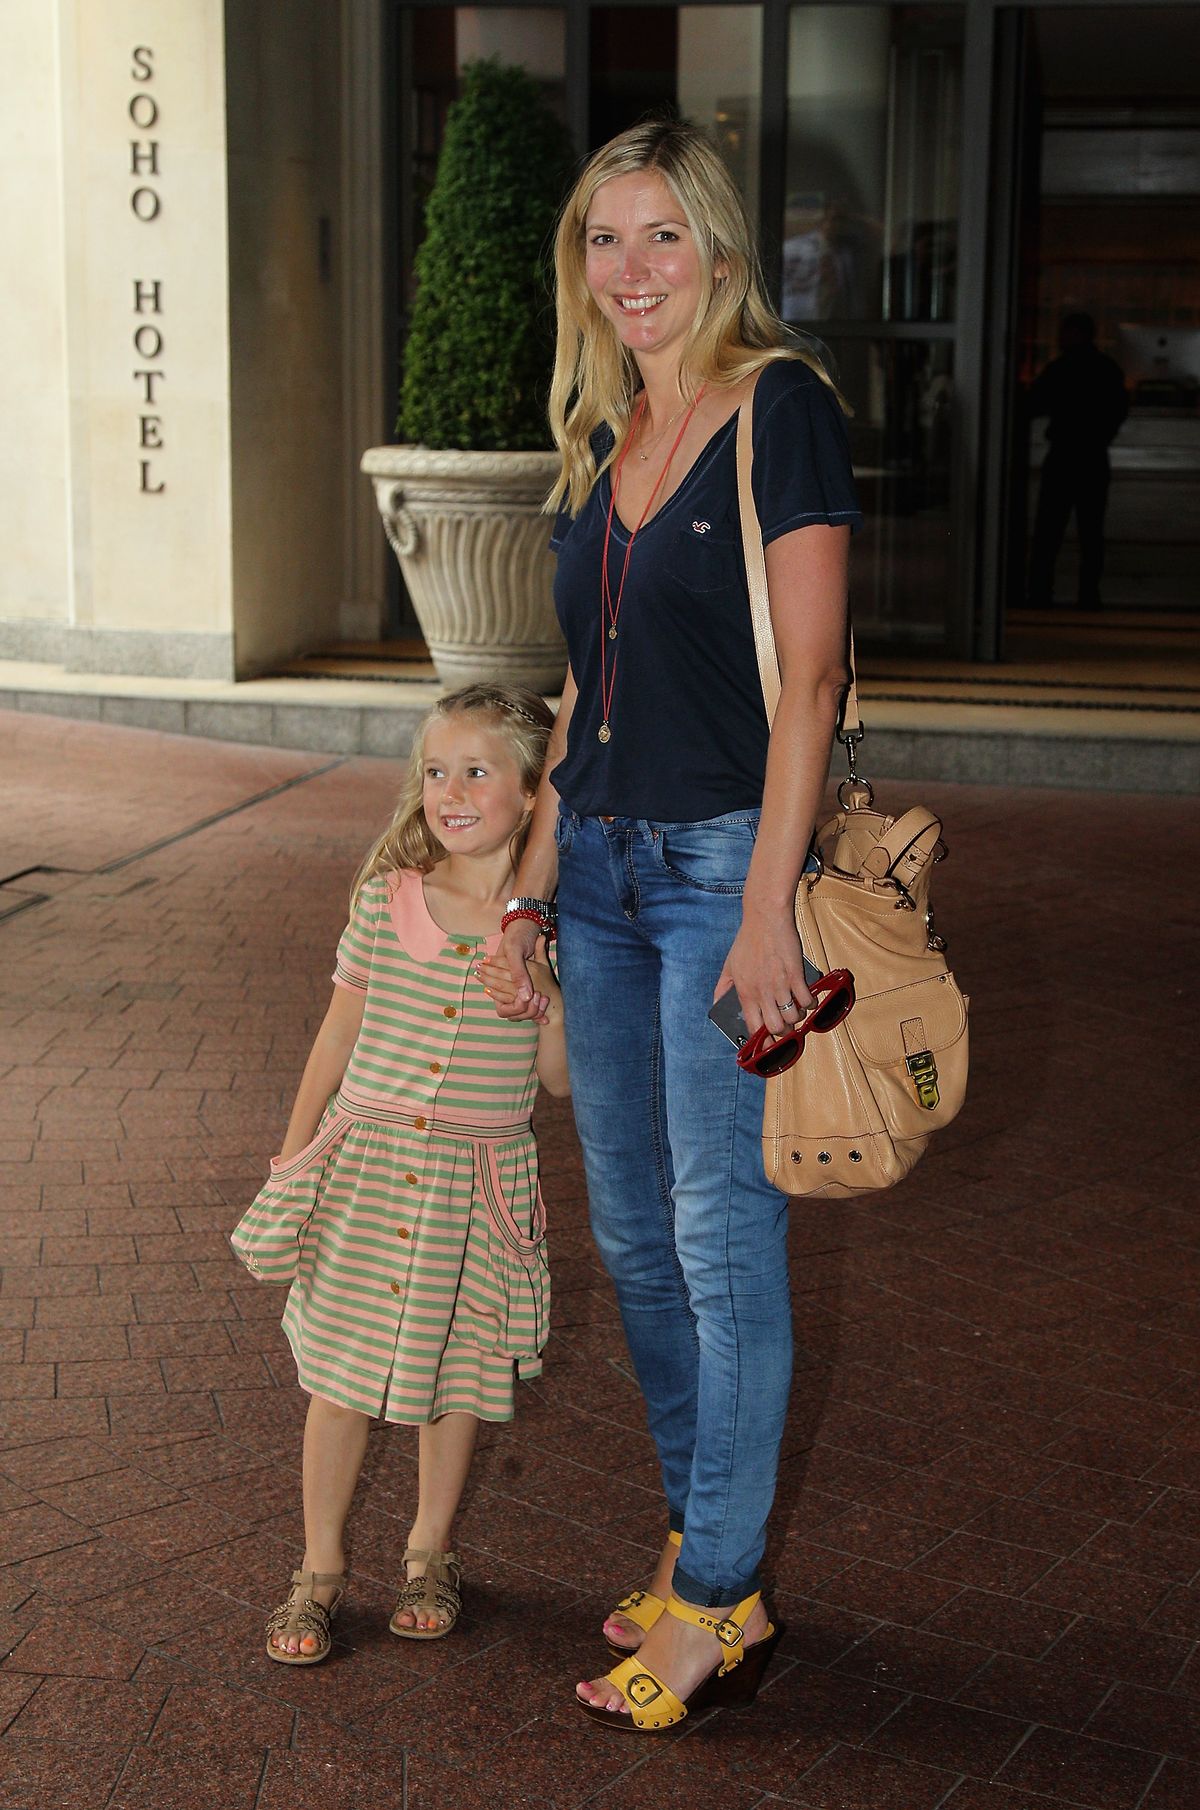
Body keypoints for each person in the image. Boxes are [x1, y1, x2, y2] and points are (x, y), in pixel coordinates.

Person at [495, 119, 861, 1732]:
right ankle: (705, 1542)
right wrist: (527, 882)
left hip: (722, 873)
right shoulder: (605, 432)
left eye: (661, 238)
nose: (631, 272)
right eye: (603, 240)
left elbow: (817, 681)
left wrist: (766, 910)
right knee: (638, 1245)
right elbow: (584, 697)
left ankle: (715, 1596)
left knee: (722, 1242)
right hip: (603, 879)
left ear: (717, 253)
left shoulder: (780, 411)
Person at [230, 683, 568, 1665]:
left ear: (535, 790)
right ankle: (320, 1568)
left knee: (452, 1375)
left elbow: (556, 1084)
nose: (450, 790)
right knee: (338, 1377)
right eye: (435, 770)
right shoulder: (390, 898)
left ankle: (430, 1552)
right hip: (369, 1167)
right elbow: (336, 1031)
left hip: (478, 1181)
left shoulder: (551, 926)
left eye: (478, 771)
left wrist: (544, 995)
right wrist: (297, 1155)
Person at [1027, 312, 1128, 610]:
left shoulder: (1060, 369)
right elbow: (1118, 410)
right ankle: (1088, 594)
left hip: (1065, 453)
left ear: (1075, 334)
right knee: (1091, 531)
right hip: (1093, 455)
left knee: (1049, 530)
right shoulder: (1106, 369)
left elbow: (1034, 403)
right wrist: (1102, 434)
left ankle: (1040, 591)